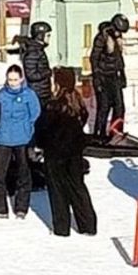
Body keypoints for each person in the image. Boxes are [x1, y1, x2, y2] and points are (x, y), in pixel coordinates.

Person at [41, 68, 97, 236]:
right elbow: (83, 120)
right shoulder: (77, 102)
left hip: (55, 153)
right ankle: (88, 225)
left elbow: (43, 129)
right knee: (78, 187)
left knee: (57, 191)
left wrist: (40, 143)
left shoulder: (53, 105)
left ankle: (61, 228)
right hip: (74, 152)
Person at [0, 65, 42, 218]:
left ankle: (21, 207)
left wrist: (28, 129)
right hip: (4, 138)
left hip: (23, 139)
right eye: (10, 79)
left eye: (15, 80)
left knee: (23, 174)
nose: (12, 83)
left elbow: (35, 114)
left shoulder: (29, 95)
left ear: (21, 79)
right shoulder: (1, 95)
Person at [90, 14, 129, 139]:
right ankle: (99, 134)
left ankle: (116, 132)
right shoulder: (102, 37)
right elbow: (94, 57)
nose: (119, 34)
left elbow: (118, 58)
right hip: (103, 77)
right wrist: (97, 77)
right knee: (104, 107)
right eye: (117, 31)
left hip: (114, 76)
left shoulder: (117, 38)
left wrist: (122, 74)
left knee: (119, 107)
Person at [19, 21, 54, 103]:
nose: (49, 38)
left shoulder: (38, 50)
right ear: (40, 36)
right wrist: (47, 72)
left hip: (43, 92)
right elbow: (31, 75)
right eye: (47, 35)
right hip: (38, 94)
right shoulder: (33, 52)